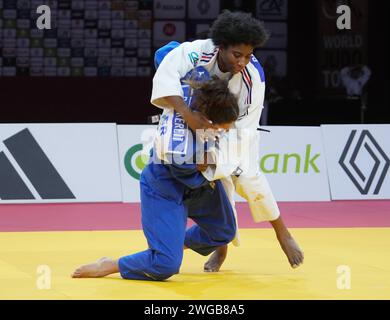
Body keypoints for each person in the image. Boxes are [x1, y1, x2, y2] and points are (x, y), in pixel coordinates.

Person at [151, 10, 304, 272]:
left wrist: (215, 155)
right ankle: (220, 248)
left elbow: (242, 130)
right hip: (195, 115)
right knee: (218, 187)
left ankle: (282, 233)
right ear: (221, 47)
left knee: (247, 177)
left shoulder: (253, 80)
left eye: (248, 55)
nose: (243, 61)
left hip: (235, 129)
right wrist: (189, 117)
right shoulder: (199, 52)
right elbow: (166, 75)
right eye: (237, 54)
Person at [72, 74, 241, 280]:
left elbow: (166, 54)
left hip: (199, 185)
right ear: (207, 120)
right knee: (165, 265)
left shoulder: (197, 89)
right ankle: (112, 265)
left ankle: (169, 246)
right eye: (221, 129)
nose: (226, 131)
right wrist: (211, 159)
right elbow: (194, 169)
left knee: (224, 231)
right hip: (164, 186)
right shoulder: (178, 149)